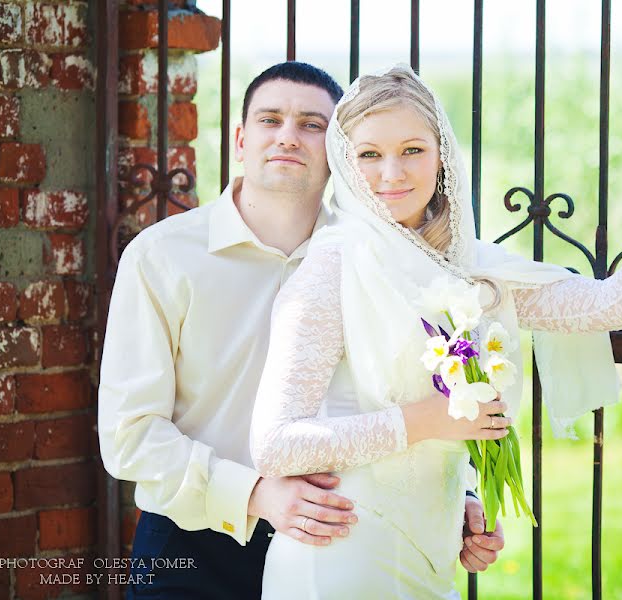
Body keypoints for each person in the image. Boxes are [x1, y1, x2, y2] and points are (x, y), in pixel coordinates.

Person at [251, 64, 622, 598]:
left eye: (412, 150)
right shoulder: (332, 265)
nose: (392, 174)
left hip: (431, 558)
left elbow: (607, 304)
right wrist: (428, 420)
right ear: (346, 162)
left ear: (442, 154)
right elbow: (276, 446)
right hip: (341, 556)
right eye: (370, 155)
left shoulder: (471, 269)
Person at [98, 62, 503, 600]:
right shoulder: (161, 256)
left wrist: (460, 499)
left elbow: (417, 390)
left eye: (312, 124)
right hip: (194, 545)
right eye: (271, 119)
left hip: (342, 539)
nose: (288, 135)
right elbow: (130, 436)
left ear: (338, 152)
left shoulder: (382, 257)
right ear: (242, 139)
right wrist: (254, 494)